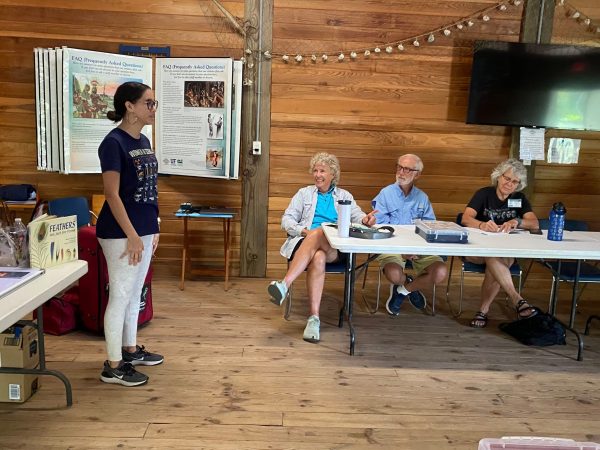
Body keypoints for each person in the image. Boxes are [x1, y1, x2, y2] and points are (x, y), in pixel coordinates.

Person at [268, 152, 377, 343]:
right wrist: (304, 232)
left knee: (320, 232)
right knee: (317, 256)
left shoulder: (344, 196)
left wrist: (366, 219)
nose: (317, 174)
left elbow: (358, 216)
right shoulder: (303, 194)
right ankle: (314, 319)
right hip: (305, 244)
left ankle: (284, 285)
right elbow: (286, 220)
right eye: (315, 170)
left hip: (334, 249)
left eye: (322, 171)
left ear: (332, 174)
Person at [96, 81, 162, 386]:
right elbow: (112, 194)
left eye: (154, 103)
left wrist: (154, 226)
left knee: (135, 293)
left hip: (144, 229)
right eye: (148, 103)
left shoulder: (143, 140)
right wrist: (133, 235)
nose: (153, 108)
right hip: (121, 232)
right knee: (120, 295)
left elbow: (148, 189)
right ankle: (112, 365)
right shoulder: (113, 143)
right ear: (129, 106)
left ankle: (131, 349)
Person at [460, 158, 540, 328]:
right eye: (507, 178)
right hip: (477, 249)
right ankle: (516, 298)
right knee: (493, 256)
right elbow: (465, 218)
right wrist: (481, 224)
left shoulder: (519, 198)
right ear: (498, 176)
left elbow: (534, 223)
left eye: (514, 182)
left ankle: (483, 311)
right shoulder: (484, 194)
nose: (509, 184)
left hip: (504, 250)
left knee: (494, 260)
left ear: (518, 185)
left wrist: (517, 222)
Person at [372, 154, 447, 315]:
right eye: (399, 167)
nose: (401, 172)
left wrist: (415, 248)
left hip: (419, 247)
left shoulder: (422, 197)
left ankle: (404, 290)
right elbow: (380, 227)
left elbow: (430, 227)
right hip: (392, 246)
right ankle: (408, 282)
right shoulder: (385, 194)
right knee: (393, 274)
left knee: (440, 272)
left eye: (407, 169)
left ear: (417, 174)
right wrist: (401, 249)